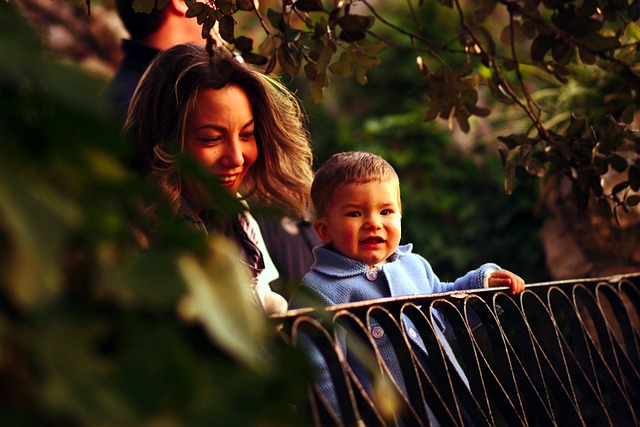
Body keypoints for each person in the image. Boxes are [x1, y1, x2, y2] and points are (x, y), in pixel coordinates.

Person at [288, 151, 525, 423]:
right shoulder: (319, 291)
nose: (373, 223)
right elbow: (319, 371)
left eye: (386, 211)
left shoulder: (413, 265)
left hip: (451, 411)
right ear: (324, 230)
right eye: (355, 213)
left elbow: (443, 307)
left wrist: (483, 285)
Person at [109, 0, 321, 293]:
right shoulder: (141, 236)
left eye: (248, 134)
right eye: (211, 139)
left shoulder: (237, 218)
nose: (236, 158)